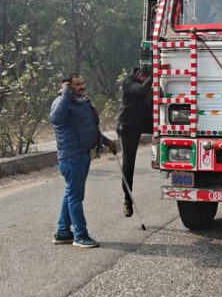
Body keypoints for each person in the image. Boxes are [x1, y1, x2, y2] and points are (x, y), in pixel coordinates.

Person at [50, 73, 116, 248]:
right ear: (67, 86)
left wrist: (106, 142)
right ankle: (80, 235)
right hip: (71, 157)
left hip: (82, 155)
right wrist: (65, 93)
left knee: (71, 194)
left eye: (83, 83)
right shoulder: (61, 102)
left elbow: (90, 128)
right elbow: (56, 119)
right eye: (77, 84)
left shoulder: (82, 102)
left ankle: (63, 232)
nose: (82, 87)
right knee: (75, 197)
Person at [117, 65, 153, 217]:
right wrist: (155, 75)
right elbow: (142, 90)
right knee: (128, 161)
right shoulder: (128, 82)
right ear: (141, 76)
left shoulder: (147, 80)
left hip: (145, 121)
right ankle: (127, 200)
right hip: (129, 124)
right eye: (146, 79)